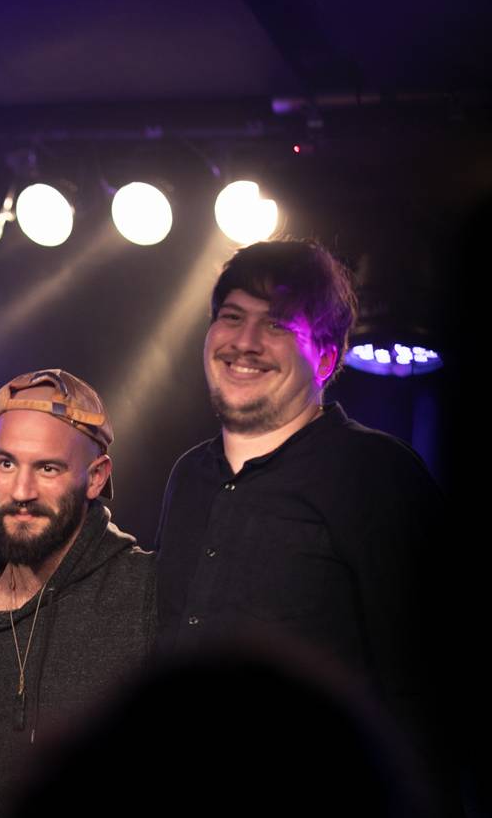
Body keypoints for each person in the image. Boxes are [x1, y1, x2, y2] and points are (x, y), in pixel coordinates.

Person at [154, 240, 445, 784]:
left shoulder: (376, 473)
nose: (245, 342)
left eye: (277, 325)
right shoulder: (188, 476)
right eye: (232, 317)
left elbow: (425, 693)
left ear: (327, 358)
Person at [0, 369, 156, 816]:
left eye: (48, 468)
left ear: (96, 477)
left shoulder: (145, 590)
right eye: (7, 464)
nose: (21, 491)